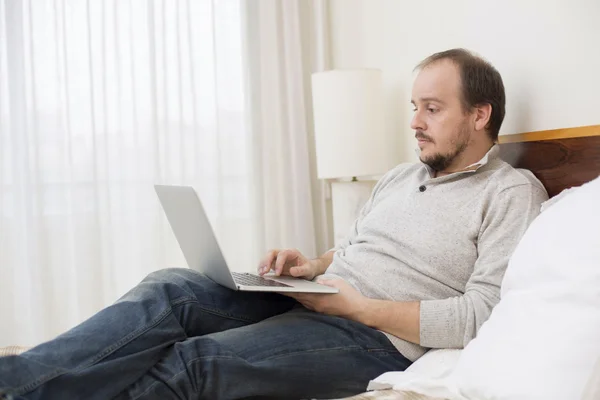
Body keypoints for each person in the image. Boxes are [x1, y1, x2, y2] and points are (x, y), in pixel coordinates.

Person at [0, 48, 548, 400]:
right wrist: (311, 267)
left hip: (375, 339)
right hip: (316, 299)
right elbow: (354, 248)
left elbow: (479, 315)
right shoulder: (400, 176)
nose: (413, 122)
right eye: (413, 106)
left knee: (197, 362)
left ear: (480, 115)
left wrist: (353, 305)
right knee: (171, 289)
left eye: (432, 108)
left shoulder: (509, 192)